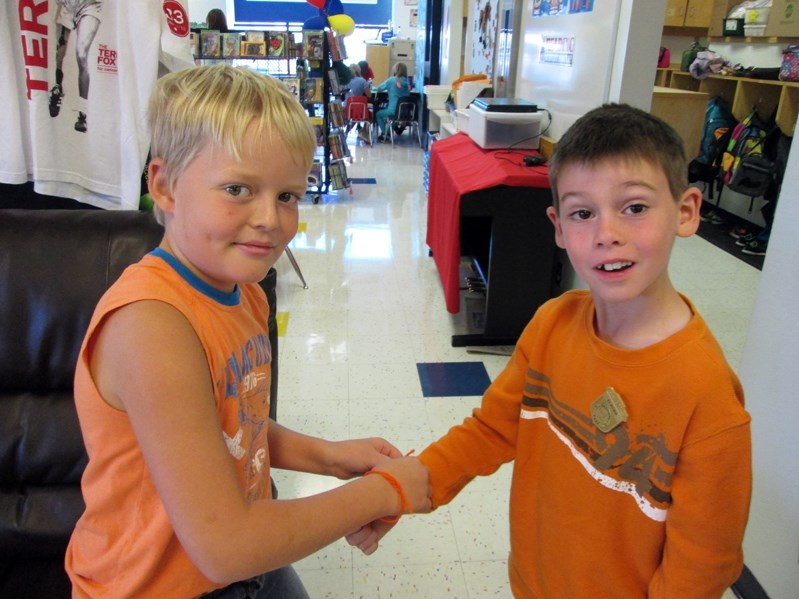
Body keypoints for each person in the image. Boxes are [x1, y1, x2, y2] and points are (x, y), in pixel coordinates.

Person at [347, 103, 752, 598]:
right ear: (558, 228)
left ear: (686, 212)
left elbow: (702, 567)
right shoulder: (552, 324)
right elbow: (492, 429)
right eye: (583, 213)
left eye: (635, 208)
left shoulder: (707, 397)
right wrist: (408, 487)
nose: (607, 234)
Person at [64, 64, 431, 598]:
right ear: (163, 185)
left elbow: (238, 424)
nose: (270, 219)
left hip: (252, 566)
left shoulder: (246, 291)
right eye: (238, 188)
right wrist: (383, 492)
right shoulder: (150, 328)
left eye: (287, 196)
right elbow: (224, 545)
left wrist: (331, 456)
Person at [49, 0, 103, 133]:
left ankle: (82, 113)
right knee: (59, 51)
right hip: (67, 4)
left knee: (81, 54)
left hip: (90, 5)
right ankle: (57, 86)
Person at [373, 62, 410, 142]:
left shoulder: (392, 80)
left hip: (393, 110)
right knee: (393, 117)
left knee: (378, 114)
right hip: (404, 112)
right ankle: (388, 133)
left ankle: (385, 134)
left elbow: (379, 88)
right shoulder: (407, 83)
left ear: (396, 70)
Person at [345, 64, 372, 143]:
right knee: (370, 116)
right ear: (358, 70)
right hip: (359, 110)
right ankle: (363, 132)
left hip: (347, 109)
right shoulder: (362, 81)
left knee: (353, 117)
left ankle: (346, 133)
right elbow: (369, 95)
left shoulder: (346, 81)